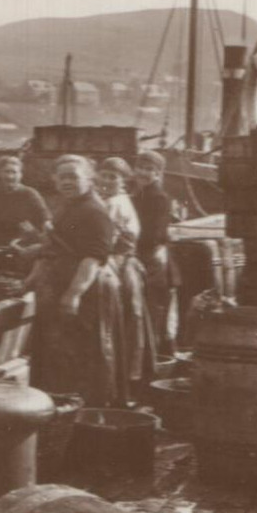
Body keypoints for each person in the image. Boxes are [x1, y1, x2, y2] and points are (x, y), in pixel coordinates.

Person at [26, 155, 119, 406]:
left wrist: (73, 294)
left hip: (84, 292)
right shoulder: (66, 206)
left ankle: (87, 410)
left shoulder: (94, 211)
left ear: (88, 179)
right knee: (60, 352)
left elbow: (94, 257)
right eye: (62, 177)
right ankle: (63, 405)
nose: (67, 182)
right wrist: (31, 281)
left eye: (73, 176)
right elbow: (50, 250)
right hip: (58, 285)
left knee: (84, 353)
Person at [97, 156, 157, 399]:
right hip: (114, 258)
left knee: (124, 320)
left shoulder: (117, 203)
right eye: (105, 175)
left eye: (114, 177)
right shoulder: (105, 200)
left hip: (120, 263)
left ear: (123, 181)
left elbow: (106, 240)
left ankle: (126, 380)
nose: (108, 181)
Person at [130, 149, 176, 357]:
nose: (144, 173)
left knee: (150, 310)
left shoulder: (159, 198)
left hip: (150, 261)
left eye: (150, 169)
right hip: (143, 257)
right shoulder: (137, 195)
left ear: (158, 174)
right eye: (141, 167)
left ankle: (152, 359)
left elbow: (154, 235)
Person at [0, 153, 51, 261]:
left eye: (14, 172)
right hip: (2, 248)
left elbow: (46, 222)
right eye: (6, 172)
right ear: (0, 174)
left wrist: (36, 236)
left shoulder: (30, 195)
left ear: (20, 175)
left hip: (26, 248)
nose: (10, 176)